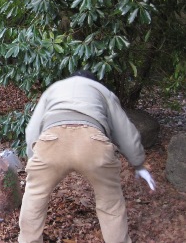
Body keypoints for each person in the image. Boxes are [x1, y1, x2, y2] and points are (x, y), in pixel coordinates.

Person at [18, 70, 156, 243]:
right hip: (93, 141)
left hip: (51, 140)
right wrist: (138, 163)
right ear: (92, 82)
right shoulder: (102, 91)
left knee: (35, 195)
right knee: (110, 203)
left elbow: (32, 129)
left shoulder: (54, 89)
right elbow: (124, 130)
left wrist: (34, 160)